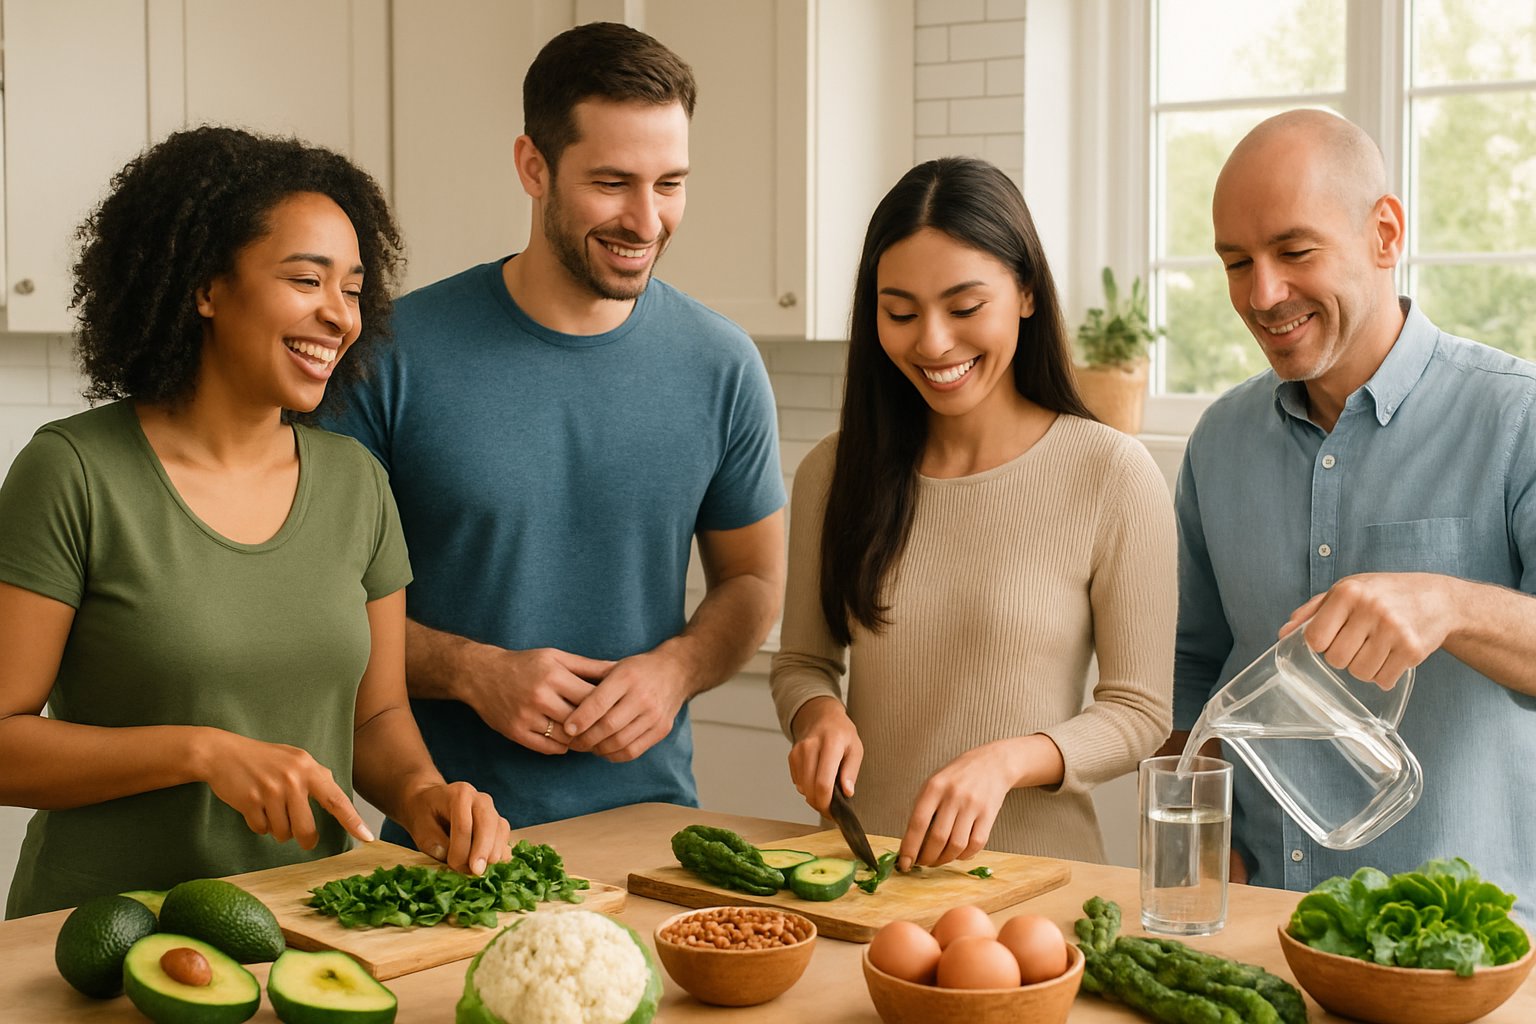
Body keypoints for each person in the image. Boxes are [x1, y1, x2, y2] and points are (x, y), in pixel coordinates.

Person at [0, 126, 511, 918]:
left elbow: (374, 715)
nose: (338, 315)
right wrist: (200, 752)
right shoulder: (74, 472)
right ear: (205, 287)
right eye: (306, 279)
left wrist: (423, 795)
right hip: (103, 936)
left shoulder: (357, 484)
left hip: (314, 924)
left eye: (352, 288)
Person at [321, 22, 785, 837]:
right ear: (533, 166)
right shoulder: (393, 355)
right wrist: (470, 672)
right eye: (612, 182)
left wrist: (675, 671)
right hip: (449, 845)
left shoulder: (723, 364)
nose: (646, 220)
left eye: (670, 183)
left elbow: (752, 584)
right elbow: (321, 601)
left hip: (656, 834)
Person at [1166, 108, 1536, 906]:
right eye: (1237, 262)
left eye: (1295, 251)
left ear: (1385, 233)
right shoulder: (1220, 441)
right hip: (1264, 928)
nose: (1263, 294)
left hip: (1457, 955)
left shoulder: (1516, 418)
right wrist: (1197, 833)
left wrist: (1449, 605)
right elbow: (1192, 668)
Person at [769, 157, 1176, 871]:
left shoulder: (1111, 473)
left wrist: (1011, 761)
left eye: (963, 308)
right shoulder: (833, 475)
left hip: (1037, 886)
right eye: (900, 312)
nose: (931, 342)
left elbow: (1140, 714)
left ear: (1024, 293)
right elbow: (803, 663)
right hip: (868, 878)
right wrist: (818, 715)